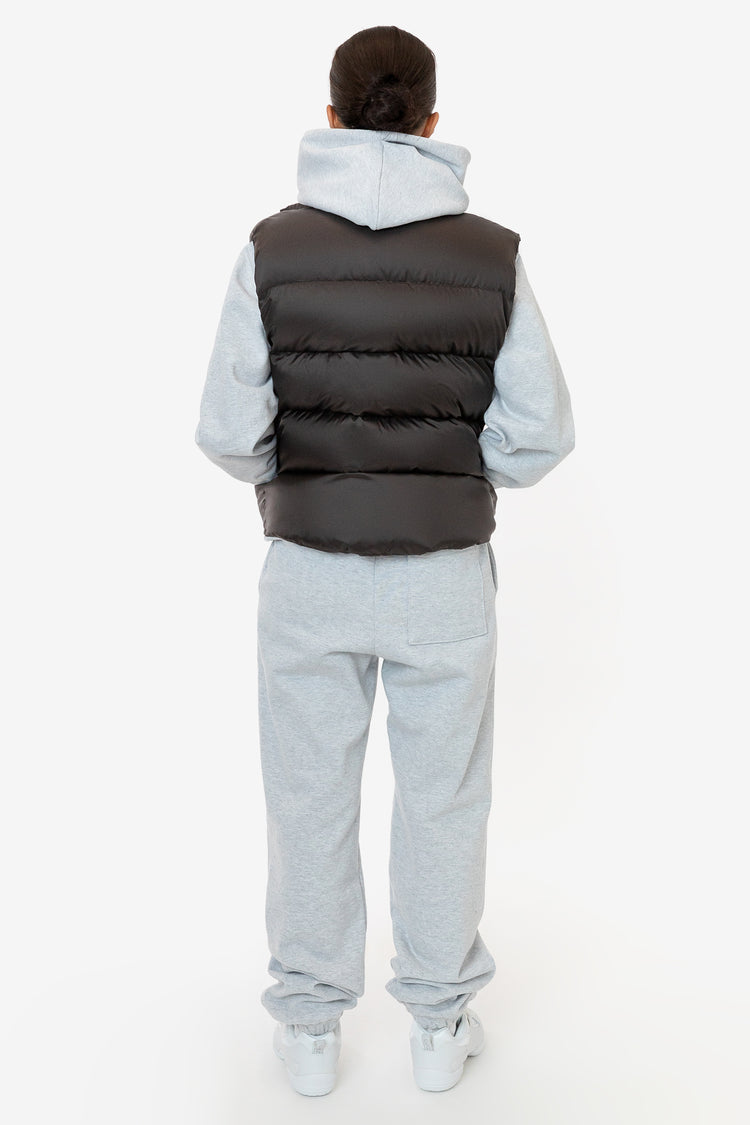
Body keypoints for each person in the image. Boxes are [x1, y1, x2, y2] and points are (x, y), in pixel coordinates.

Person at [194, 25, 575, 1097]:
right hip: (443, 573)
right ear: (432, 124)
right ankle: (440, 1025)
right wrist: (450, 472)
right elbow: (540, 435)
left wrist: (299, 478)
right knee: (443, 799)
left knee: (306, 797)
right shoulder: (491, 255)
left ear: (331, 117)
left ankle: (311, 1032)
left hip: (307, 568)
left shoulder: (270, 247)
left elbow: (227, 431)